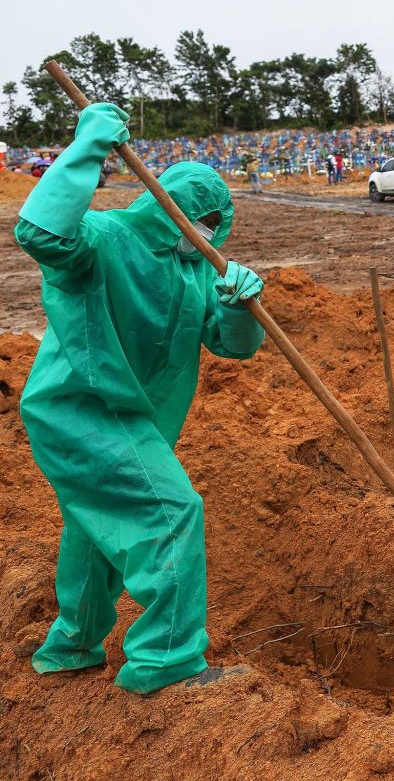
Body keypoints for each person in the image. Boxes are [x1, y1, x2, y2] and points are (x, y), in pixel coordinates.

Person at [14, 102, 266, 695]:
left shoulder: (199, 272)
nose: (201, 229)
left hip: (133, 419)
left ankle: (71, 649)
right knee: (171, 513)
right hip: (82, 409)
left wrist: (239, 310)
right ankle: (167, 665)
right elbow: (40, 233)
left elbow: (233, 347)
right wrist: (86, 152)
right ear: (163, 205)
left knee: (94, 531)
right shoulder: (106, 240)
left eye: (211, 221)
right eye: (191, 216)